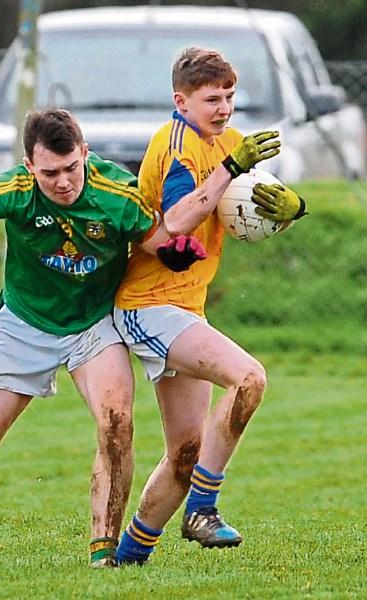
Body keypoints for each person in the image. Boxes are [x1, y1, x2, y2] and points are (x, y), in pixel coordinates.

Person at [0, 108, 207, 569]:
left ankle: (104, 556)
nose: (64, 182)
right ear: (30, 166)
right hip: (24, 325)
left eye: (72, 168)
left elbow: (158, 241)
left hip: (93, 325)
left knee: (116, 423)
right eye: (50, 173)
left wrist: (176, 253)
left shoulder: (117, 194)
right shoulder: (17, 190)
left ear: (85, 153)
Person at [112, 47, 307, 565]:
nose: (223, 109)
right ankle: (203, 508)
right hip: (147, 303)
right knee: (249, 379)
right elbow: (176, 219)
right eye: (211, 100)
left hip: (183, 307)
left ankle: (127, 560)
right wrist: (229, 167)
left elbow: (246, 205)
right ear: (182, 101)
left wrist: (293, 210)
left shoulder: (232, 144)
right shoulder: (176, 145)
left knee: (186, 453)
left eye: (229, 97)